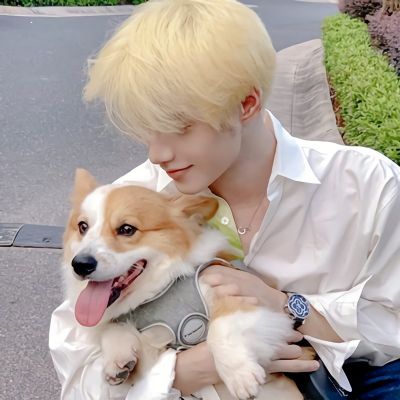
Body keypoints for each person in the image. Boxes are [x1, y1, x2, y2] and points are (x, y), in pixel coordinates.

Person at [49, 0, 400, 399]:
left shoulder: (365, 183)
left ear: (246, 104)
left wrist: (289, 306)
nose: (157, 153)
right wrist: (178, 372)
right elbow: (76, 371)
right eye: (147, 129)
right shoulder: (133, 200)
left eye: (177, 126)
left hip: (360, 377)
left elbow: (393, 322)